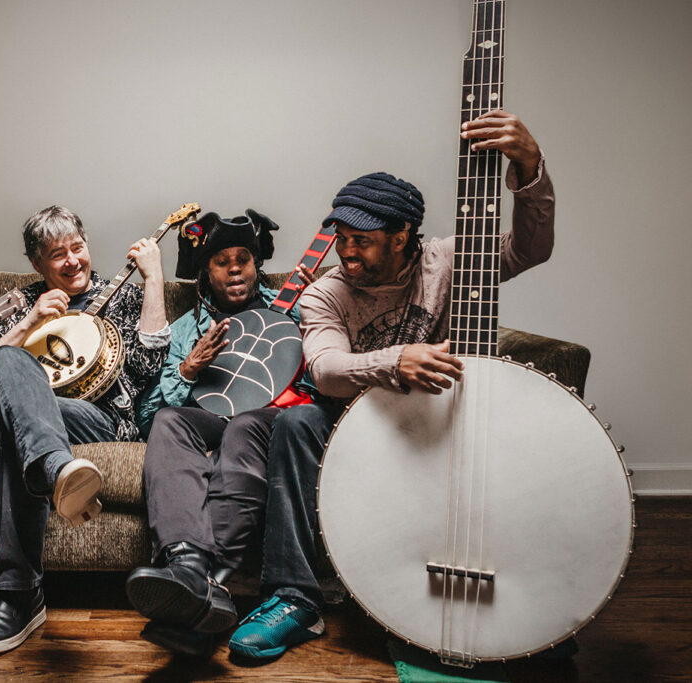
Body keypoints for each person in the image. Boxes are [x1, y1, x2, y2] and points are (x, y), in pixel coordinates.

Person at [227, 110, 555, 660]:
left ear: (403, 237)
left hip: (440, 423)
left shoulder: (449, 261)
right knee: (296, 420)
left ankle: (522, 598)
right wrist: (396, 360)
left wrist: (529, 167)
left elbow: (530, 249)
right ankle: (293, 599)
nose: (347, 254)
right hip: (358, 423)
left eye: (363, 241)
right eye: (341, 239)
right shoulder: (324, 292)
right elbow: (327, 370)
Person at [0, 205, 170, 656]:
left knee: (9, 426)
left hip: (100, 418)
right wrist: (30, 323)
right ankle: (54, 467)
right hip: (34, 412)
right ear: (38, 264)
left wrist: (153, 277)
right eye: (58, 254)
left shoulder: (123, 295)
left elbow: (150, 362)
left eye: (78, 247)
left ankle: (16, 595)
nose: (73, 260)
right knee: (7, 374)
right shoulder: (23, 301)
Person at [125, 210, 316, 656]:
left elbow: (322, 376)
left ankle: (211, 583)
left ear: (256, 264)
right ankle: (186, 563)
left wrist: (310, 317)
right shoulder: (186, 328)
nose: (234, 268)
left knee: (247, 426)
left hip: (272, 416)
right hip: (210, 413)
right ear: (204, 274)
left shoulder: (292, 304)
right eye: (221, 261)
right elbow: (148, 416)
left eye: (243, 259)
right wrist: (189, 367)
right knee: (172, 421)